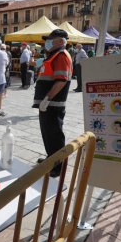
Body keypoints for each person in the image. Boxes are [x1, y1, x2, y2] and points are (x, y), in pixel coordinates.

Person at [32, 29, 73, 177]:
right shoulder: (54, 55)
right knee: (48, 134)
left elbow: (61, 81)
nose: (46, 42)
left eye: (50, 39)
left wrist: (47, 98)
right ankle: (51, 158)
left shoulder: (61, 55)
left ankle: (58, 166)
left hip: (53, 104)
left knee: (54, 136)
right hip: (48, 104)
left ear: (61, 41)